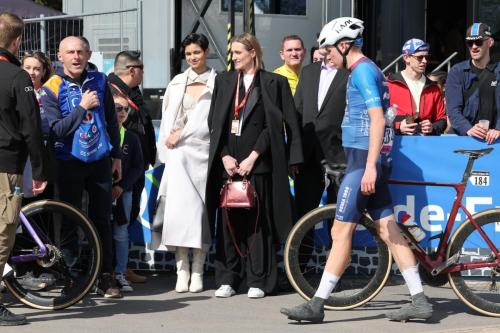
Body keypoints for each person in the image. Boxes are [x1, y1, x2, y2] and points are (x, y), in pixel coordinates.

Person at [281, 17, 433, 323]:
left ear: (344, 44)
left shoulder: (363, 71)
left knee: (341, 231)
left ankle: (317, 303)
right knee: (389, 231)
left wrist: (369, 169)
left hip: (362, 162)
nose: (325, 55)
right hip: (364, 160)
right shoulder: (364, 70)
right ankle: (419, 299)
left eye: (328, 50)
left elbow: (378, 120)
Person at [206, 33, 303, 299]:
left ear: (252, 52)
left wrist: (253, 157)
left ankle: (257, 279)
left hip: (258, 164)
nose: (234, 57)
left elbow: (280, 125)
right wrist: (225, 156)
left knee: (257, 224)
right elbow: (215, 124)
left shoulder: (274, 82)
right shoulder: (224, 81)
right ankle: (227, 278)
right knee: (228, 224)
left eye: (238, 53)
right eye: (233, 53)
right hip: (228, 165)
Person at [41, 36, 122, 298]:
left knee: (102, 220)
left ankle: (106, 275)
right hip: (68, 161)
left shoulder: (100, 81)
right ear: (59, 56)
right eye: (70, 52)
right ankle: (71, 278)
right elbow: (55, 131)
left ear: (88, 55)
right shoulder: (51, 87)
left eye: (80, 52)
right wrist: (81, 107)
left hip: (99, 160)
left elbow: (111, 119)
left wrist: (117, 156)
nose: (76, 57)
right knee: (68, 221)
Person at [155, 33, 216, 293]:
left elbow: (211, 121)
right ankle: (182, 269)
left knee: (199, 215)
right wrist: (169, 143)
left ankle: (199, 269)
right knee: (177, 214)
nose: (193, 57)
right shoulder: (177, 82)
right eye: (189, 53)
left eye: (197, 52)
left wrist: (184, 134)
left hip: (203, 155)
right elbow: (167, 117)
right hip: (177, 156)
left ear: (206, 52)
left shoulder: (218, 82)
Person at [0, 12, 47, 326]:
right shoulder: (18, 77)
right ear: (17, 42)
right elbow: (31, 127)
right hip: (6, 166)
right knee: (3, 232)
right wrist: (40, 170)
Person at [108, 50, 156, 283]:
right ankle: (113, 270)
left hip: (135, 169)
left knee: (127, 218)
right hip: (119, 172)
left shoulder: (131, 94)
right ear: (132, 70)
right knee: (117, 223)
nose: (143, 74)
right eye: (141, 69)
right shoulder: (110, 92)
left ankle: (123, 267)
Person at [294, 46, 349, 225]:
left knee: (338, 214)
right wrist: (294, 154)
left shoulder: (349, 72)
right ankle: (300, 254)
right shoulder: (308, 72)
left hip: (339, 152)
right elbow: (297, 112)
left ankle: (337, 253)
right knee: (304, 212)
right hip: (308, 152)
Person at [446, 22, 500, 144]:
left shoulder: (498, 71)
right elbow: (453, 110)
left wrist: (498, 129)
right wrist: (468, 128)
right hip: (464, 138)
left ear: (490, 42)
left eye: (478, 42)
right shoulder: (457, 71)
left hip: (494, 140)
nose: (474, 47)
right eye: (470, 43)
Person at [111, 91, 143, 293]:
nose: (122, 112)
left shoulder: (132, 137)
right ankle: (101, 274)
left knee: (121, 232)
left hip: (125, 192)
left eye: (125, 109)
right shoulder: (101, 132)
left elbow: (138, 167)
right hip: (102, 191)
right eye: (117, 108)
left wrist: (122, 186)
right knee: (100, 231)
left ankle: (120, 272)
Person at [387, 38, 447, 136]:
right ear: (406, 58)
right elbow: (378, 116)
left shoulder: (433, 87)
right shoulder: (390, 83)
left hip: (424, 144)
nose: (424, 61)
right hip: (397, 142)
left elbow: (442, 120)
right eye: (420, 57)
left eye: (426, 57)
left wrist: (432, 127)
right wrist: (398, 126)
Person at [21, 51, 54, 202]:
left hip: (46, 151)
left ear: (44, 71)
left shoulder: (50, 93)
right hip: (23, 153)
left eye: (36, 69)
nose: (31, 73)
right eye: (27, 68)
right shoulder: (16, 92)